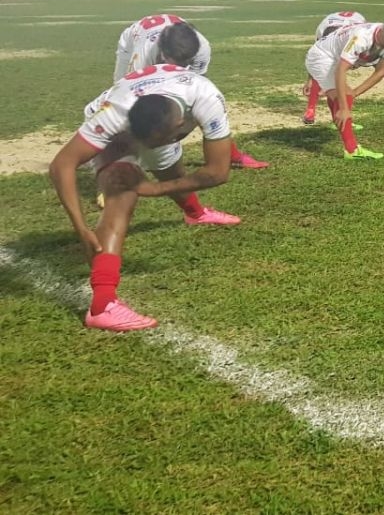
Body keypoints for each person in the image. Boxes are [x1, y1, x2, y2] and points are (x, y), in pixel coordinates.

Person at [48, 64, 242, 332]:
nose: (145, 148)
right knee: (122, 190)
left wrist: (155, 188)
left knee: (170, 171)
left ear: (179, 126)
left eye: (151, 142)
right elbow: (62, 165)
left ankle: (195, 213)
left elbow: (218, 172)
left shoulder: (207, 98)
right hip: (119, 132)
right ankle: (103, 304)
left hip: (162, 118)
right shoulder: (115, 113)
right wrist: (81, 228)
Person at [114, 14, 268, 168]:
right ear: (162, 51)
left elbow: (197, 92)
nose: (177, 69)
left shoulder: (202, 48)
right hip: (132, 42)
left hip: (166, 44)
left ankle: (233, 155)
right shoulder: (144, 53)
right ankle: (122, 155)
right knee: (124, 103)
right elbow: (131, 96)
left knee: (202, 103)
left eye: (183, 63)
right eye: (172, 63)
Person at [304, 19, 384, 159]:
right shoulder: (361, 37)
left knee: (345, 96)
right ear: (382, 31)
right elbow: (341, 70)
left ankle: (339, 123)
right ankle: (352, 150)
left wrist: (355, 93)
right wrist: (345, 108)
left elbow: (381, 72)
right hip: (322, 56)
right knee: (343, 97)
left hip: (334, 57)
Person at [301, 11, 384, 124]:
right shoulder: (326, 36)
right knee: (330, 78)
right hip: (334, 50)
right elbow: (318, 63)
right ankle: (311, 109)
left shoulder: (367, 36)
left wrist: (354, 93)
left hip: (357, 40)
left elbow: (382, 71)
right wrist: (310, 79)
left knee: (378, 65)